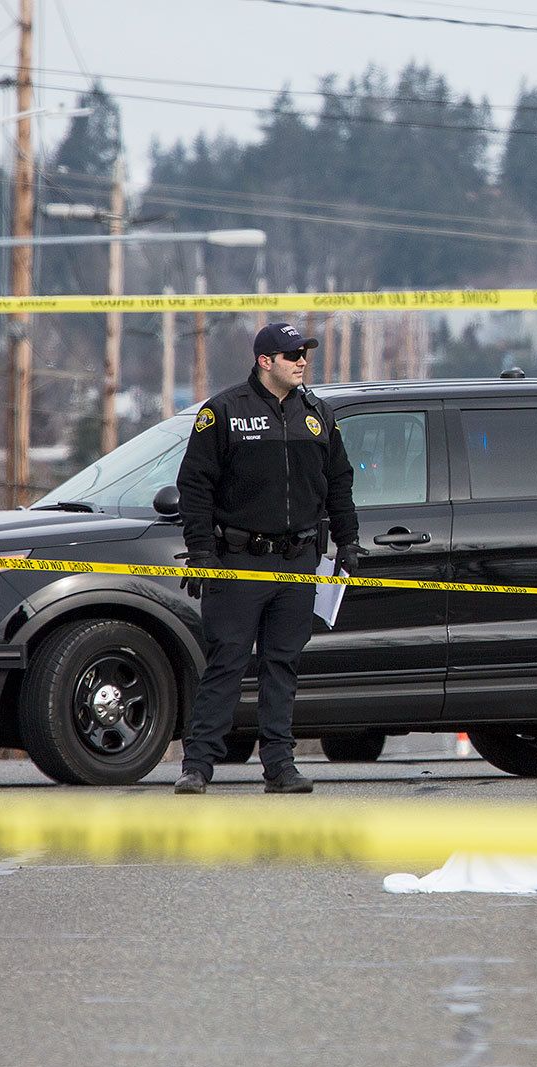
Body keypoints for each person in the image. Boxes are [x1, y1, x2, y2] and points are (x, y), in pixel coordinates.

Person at [173, 321, 362, 794]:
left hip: (298, 560)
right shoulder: (224, 413)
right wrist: (201, 551)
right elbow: (194, 485)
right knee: (227, 662)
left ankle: (280, 765)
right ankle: (197, 766)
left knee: (282, 663)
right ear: (264, 361)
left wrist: (349, 540)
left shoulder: (318, 414)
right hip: (239, 560)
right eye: (291, 354)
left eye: (304, 353)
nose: (301, 361)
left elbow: (338, 482)